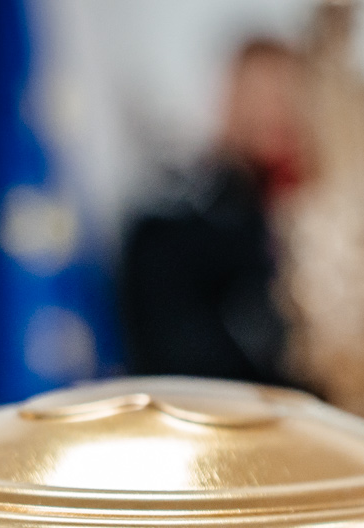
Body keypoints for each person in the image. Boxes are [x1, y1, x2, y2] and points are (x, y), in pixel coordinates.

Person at [119, 38, 306, 384]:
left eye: (287, 98)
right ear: (229, 103)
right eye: (259, 97)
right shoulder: (173, 230)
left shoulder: (313, 221)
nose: (274, 113)